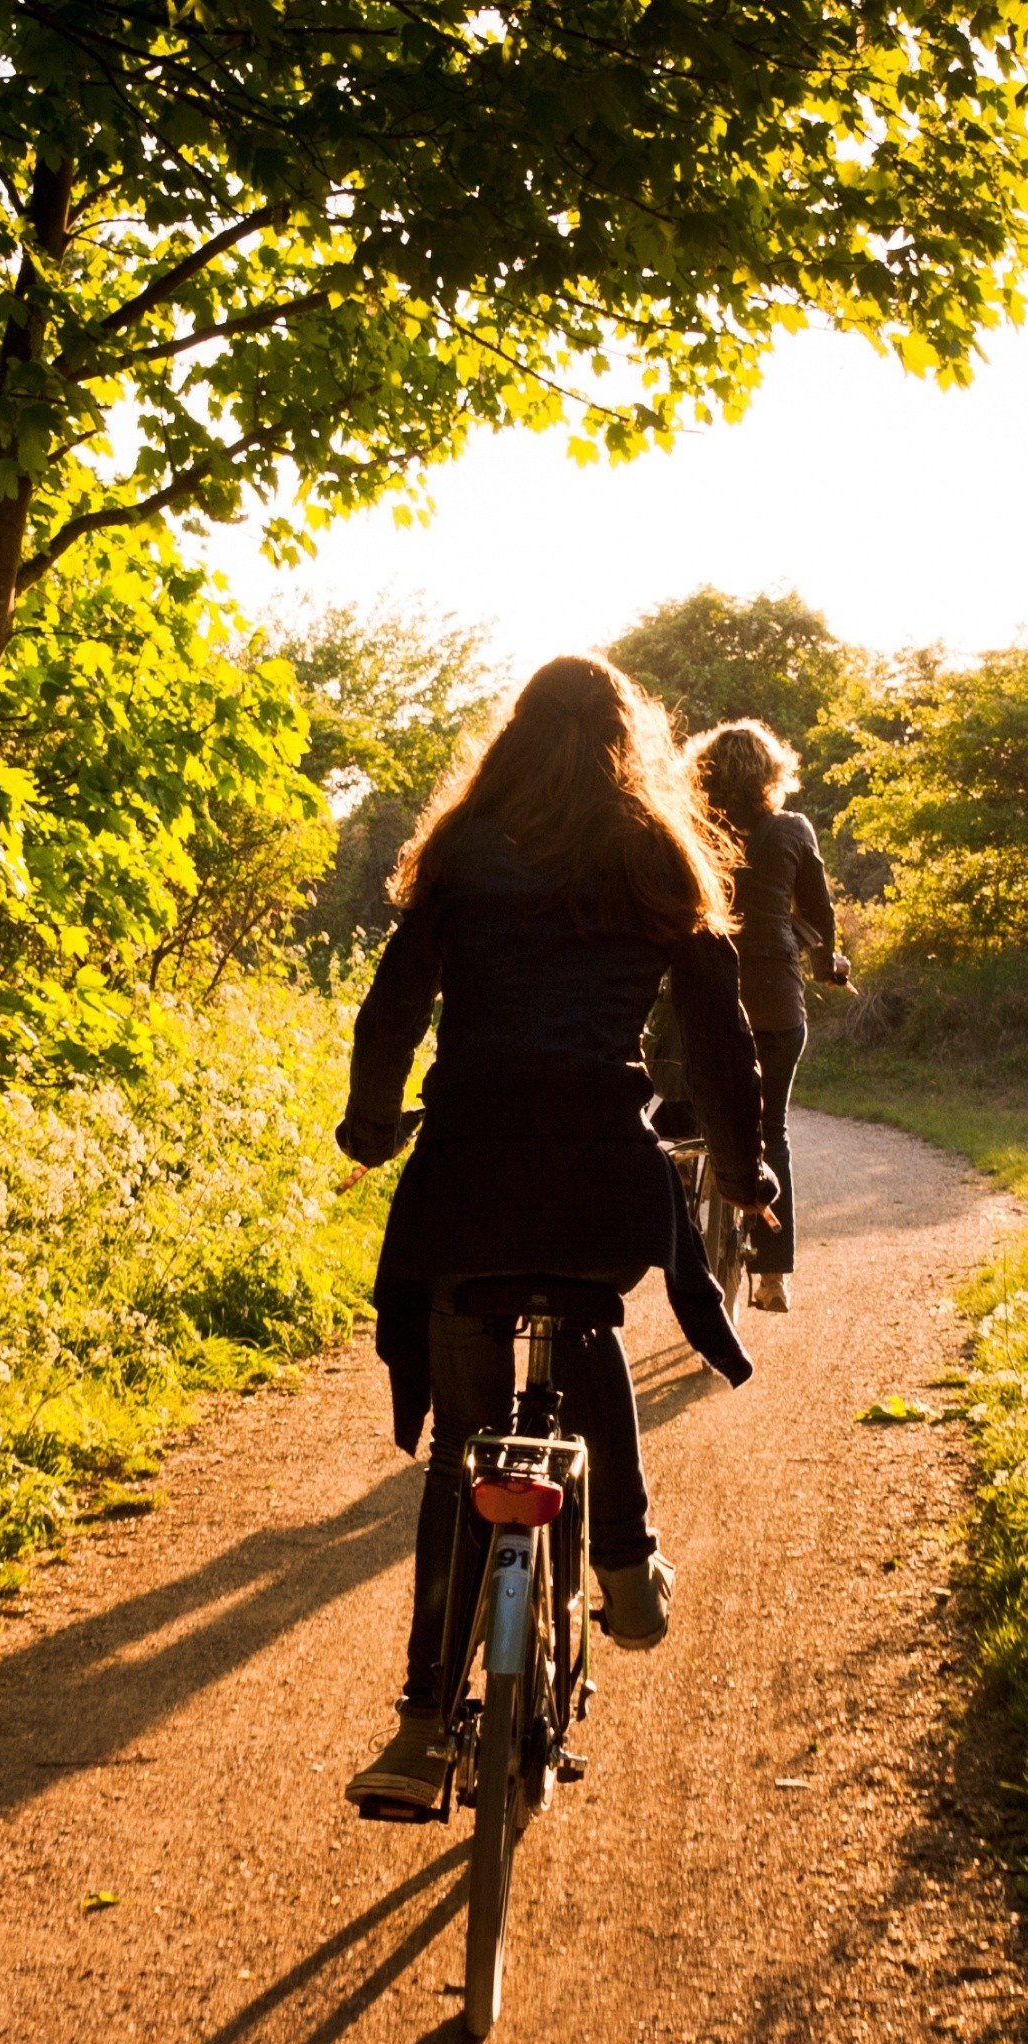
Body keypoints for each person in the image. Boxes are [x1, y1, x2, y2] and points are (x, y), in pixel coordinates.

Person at [333, 654, 775, 1815]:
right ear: (633, 741)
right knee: (588, 1311)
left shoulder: (464, 854)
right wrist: (744, 1171)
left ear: (513, 738)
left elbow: (392, 1012)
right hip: (598, 1170)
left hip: (469, 1165)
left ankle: (425, 1725)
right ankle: (624, 1563)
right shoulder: (657, 857)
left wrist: (372, 1127)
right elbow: (722, 1040)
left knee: (460, 1446)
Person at [686, 719, 847, 1312]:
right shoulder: (791, 831)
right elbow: (821, 913)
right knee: (767, 1129)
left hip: (698, 1000)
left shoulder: (690, 830)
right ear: (772, 774)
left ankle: (683, 1178)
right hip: (773, 1001)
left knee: (683, 1109)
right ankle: (774, 1276)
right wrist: (829, 963)